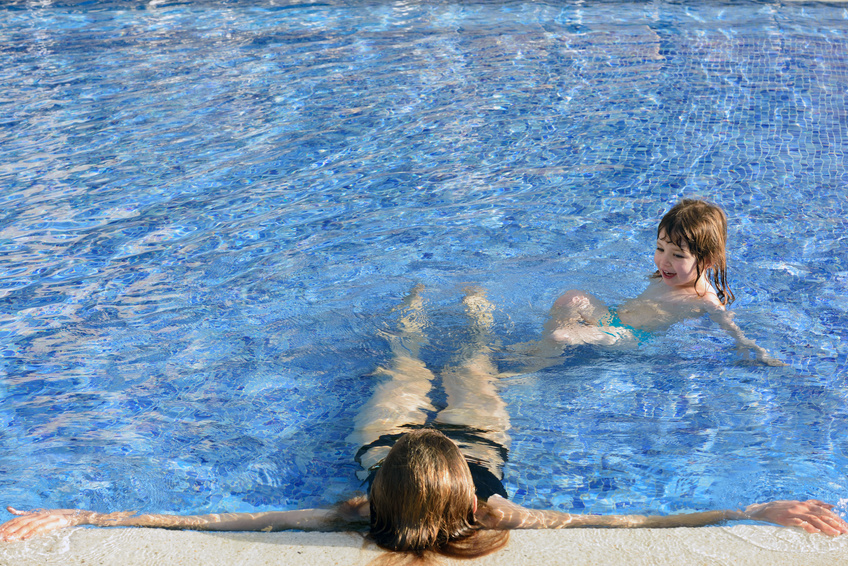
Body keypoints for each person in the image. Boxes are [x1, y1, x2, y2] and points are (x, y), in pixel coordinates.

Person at [2, 288, 845, 559]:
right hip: (470, 448)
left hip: (393, 443)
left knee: (404, 371)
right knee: (461, 368)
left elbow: (219, 521)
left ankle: (429, 319)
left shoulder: (364, 507)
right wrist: (750, 508)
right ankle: (441, 320)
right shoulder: (492, 508)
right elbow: (631, 519)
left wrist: (85, 512)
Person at [520, 199, 783, 369]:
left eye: (678, 256)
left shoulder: (703, 298)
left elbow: (729, 326)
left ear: (708, 260)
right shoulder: (668, 274)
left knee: (561, 335)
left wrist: (753, 349)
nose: (664, 262)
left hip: (630, 337)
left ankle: (535, 365)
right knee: (573, 297)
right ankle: (543, 353)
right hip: (612, 317)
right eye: (660, 249)